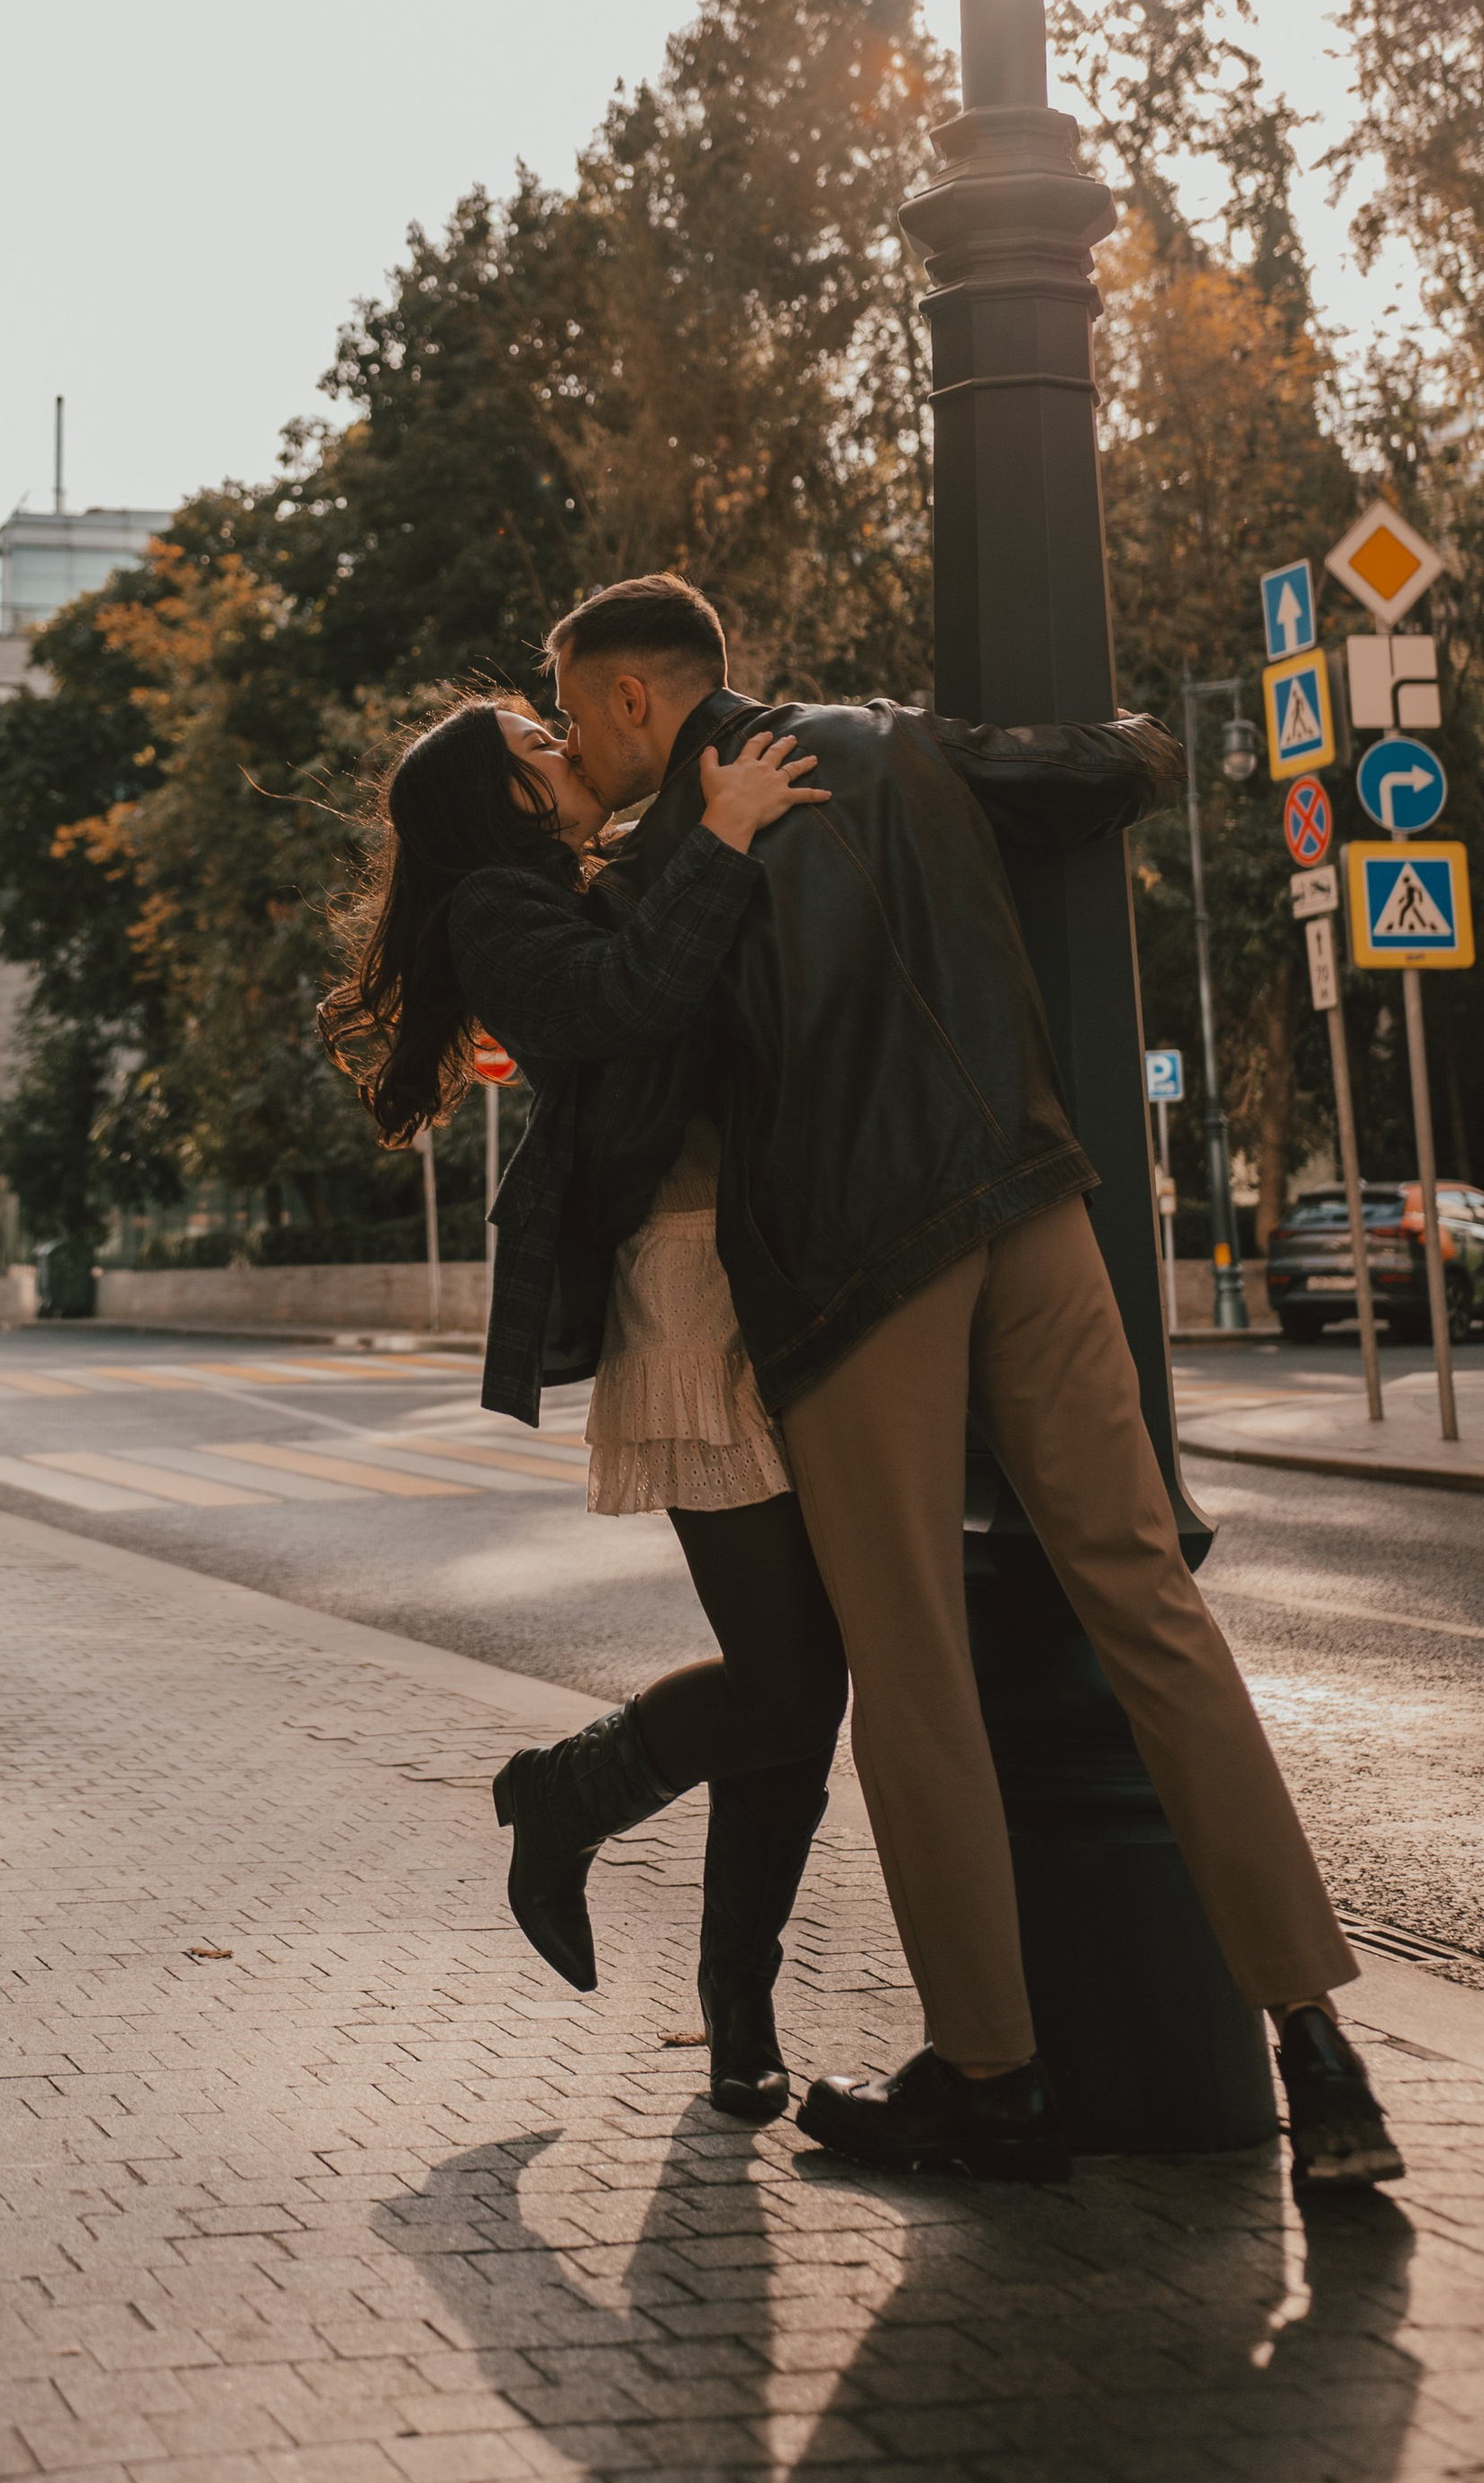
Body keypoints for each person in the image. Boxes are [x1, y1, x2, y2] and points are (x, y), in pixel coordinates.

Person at [533, 571, 1401, 2193]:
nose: (573, 743)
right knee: (1151, 1604)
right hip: (1033, 1204)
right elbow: (1112, 762)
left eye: (576, 712)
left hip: (866, 1272)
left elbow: (622, 1047)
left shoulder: (667, 861)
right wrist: (1110, 735)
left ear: (637, 699)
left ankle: (990, 2082)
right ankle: (1320, 2051)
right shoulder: (884, 741)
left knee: (912, 1668)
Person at [321, 695, 848, 2121]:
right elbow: (628, 1006)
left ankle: (739, 2006)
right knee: (794, 1683)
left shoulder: (601, 874)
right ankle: (569, 1799)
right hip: (687, 1298)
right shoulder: (498, 912)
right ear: (502, 795)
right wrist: (727, 835)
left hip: (791, 1278)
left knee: (802, 1685)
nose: (567, 740)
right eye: (537, 742)